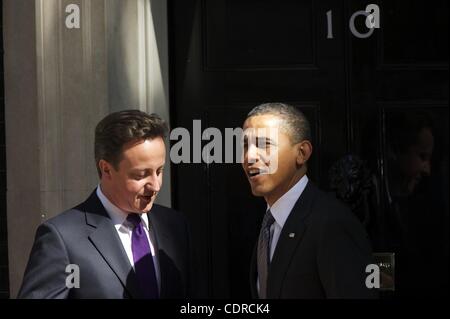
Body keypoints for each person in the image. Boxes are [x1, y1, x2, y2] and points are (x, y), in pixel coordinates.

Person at [18, 110, 192, 298]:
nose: (156, 185)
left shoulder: (176, 226)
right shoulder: (62, 239)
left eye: (159, 171)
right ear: (106, 169)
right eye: (141, 175)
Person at [241, 103, 377, 298]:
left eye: (265, 144)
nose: (249, 156)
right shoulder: (267, 223)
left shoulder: (332, 224)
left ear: (302, 153)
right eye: (246, 145)